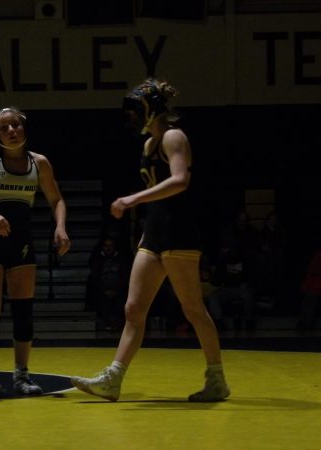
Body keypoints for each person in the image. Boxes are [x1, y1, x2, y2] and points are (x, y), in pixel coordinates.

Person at [71, 78, 230, 402]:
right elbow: (159, 195)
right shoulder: (148, 144)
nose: (130, 116)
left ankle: (216, 378)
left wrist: (132, 200)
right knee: (133, 309)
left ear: (151, 108)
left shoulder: (173, 136)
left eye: (134, 109)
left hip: (180, 231)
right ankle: (113, 379)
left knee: (193, 308)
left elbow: (180, 180)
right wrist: (144, 224)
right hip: (155, 232)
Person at [0, 106, 70, 399]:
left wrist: (61, 228)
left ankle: (21, 375)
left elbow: (56, 199)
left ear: (24, 129)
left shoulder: (40, 163)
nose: (11, 131)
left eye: (16, 125)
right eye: (5, 127)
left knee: (23, 311)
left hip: (21, 240)